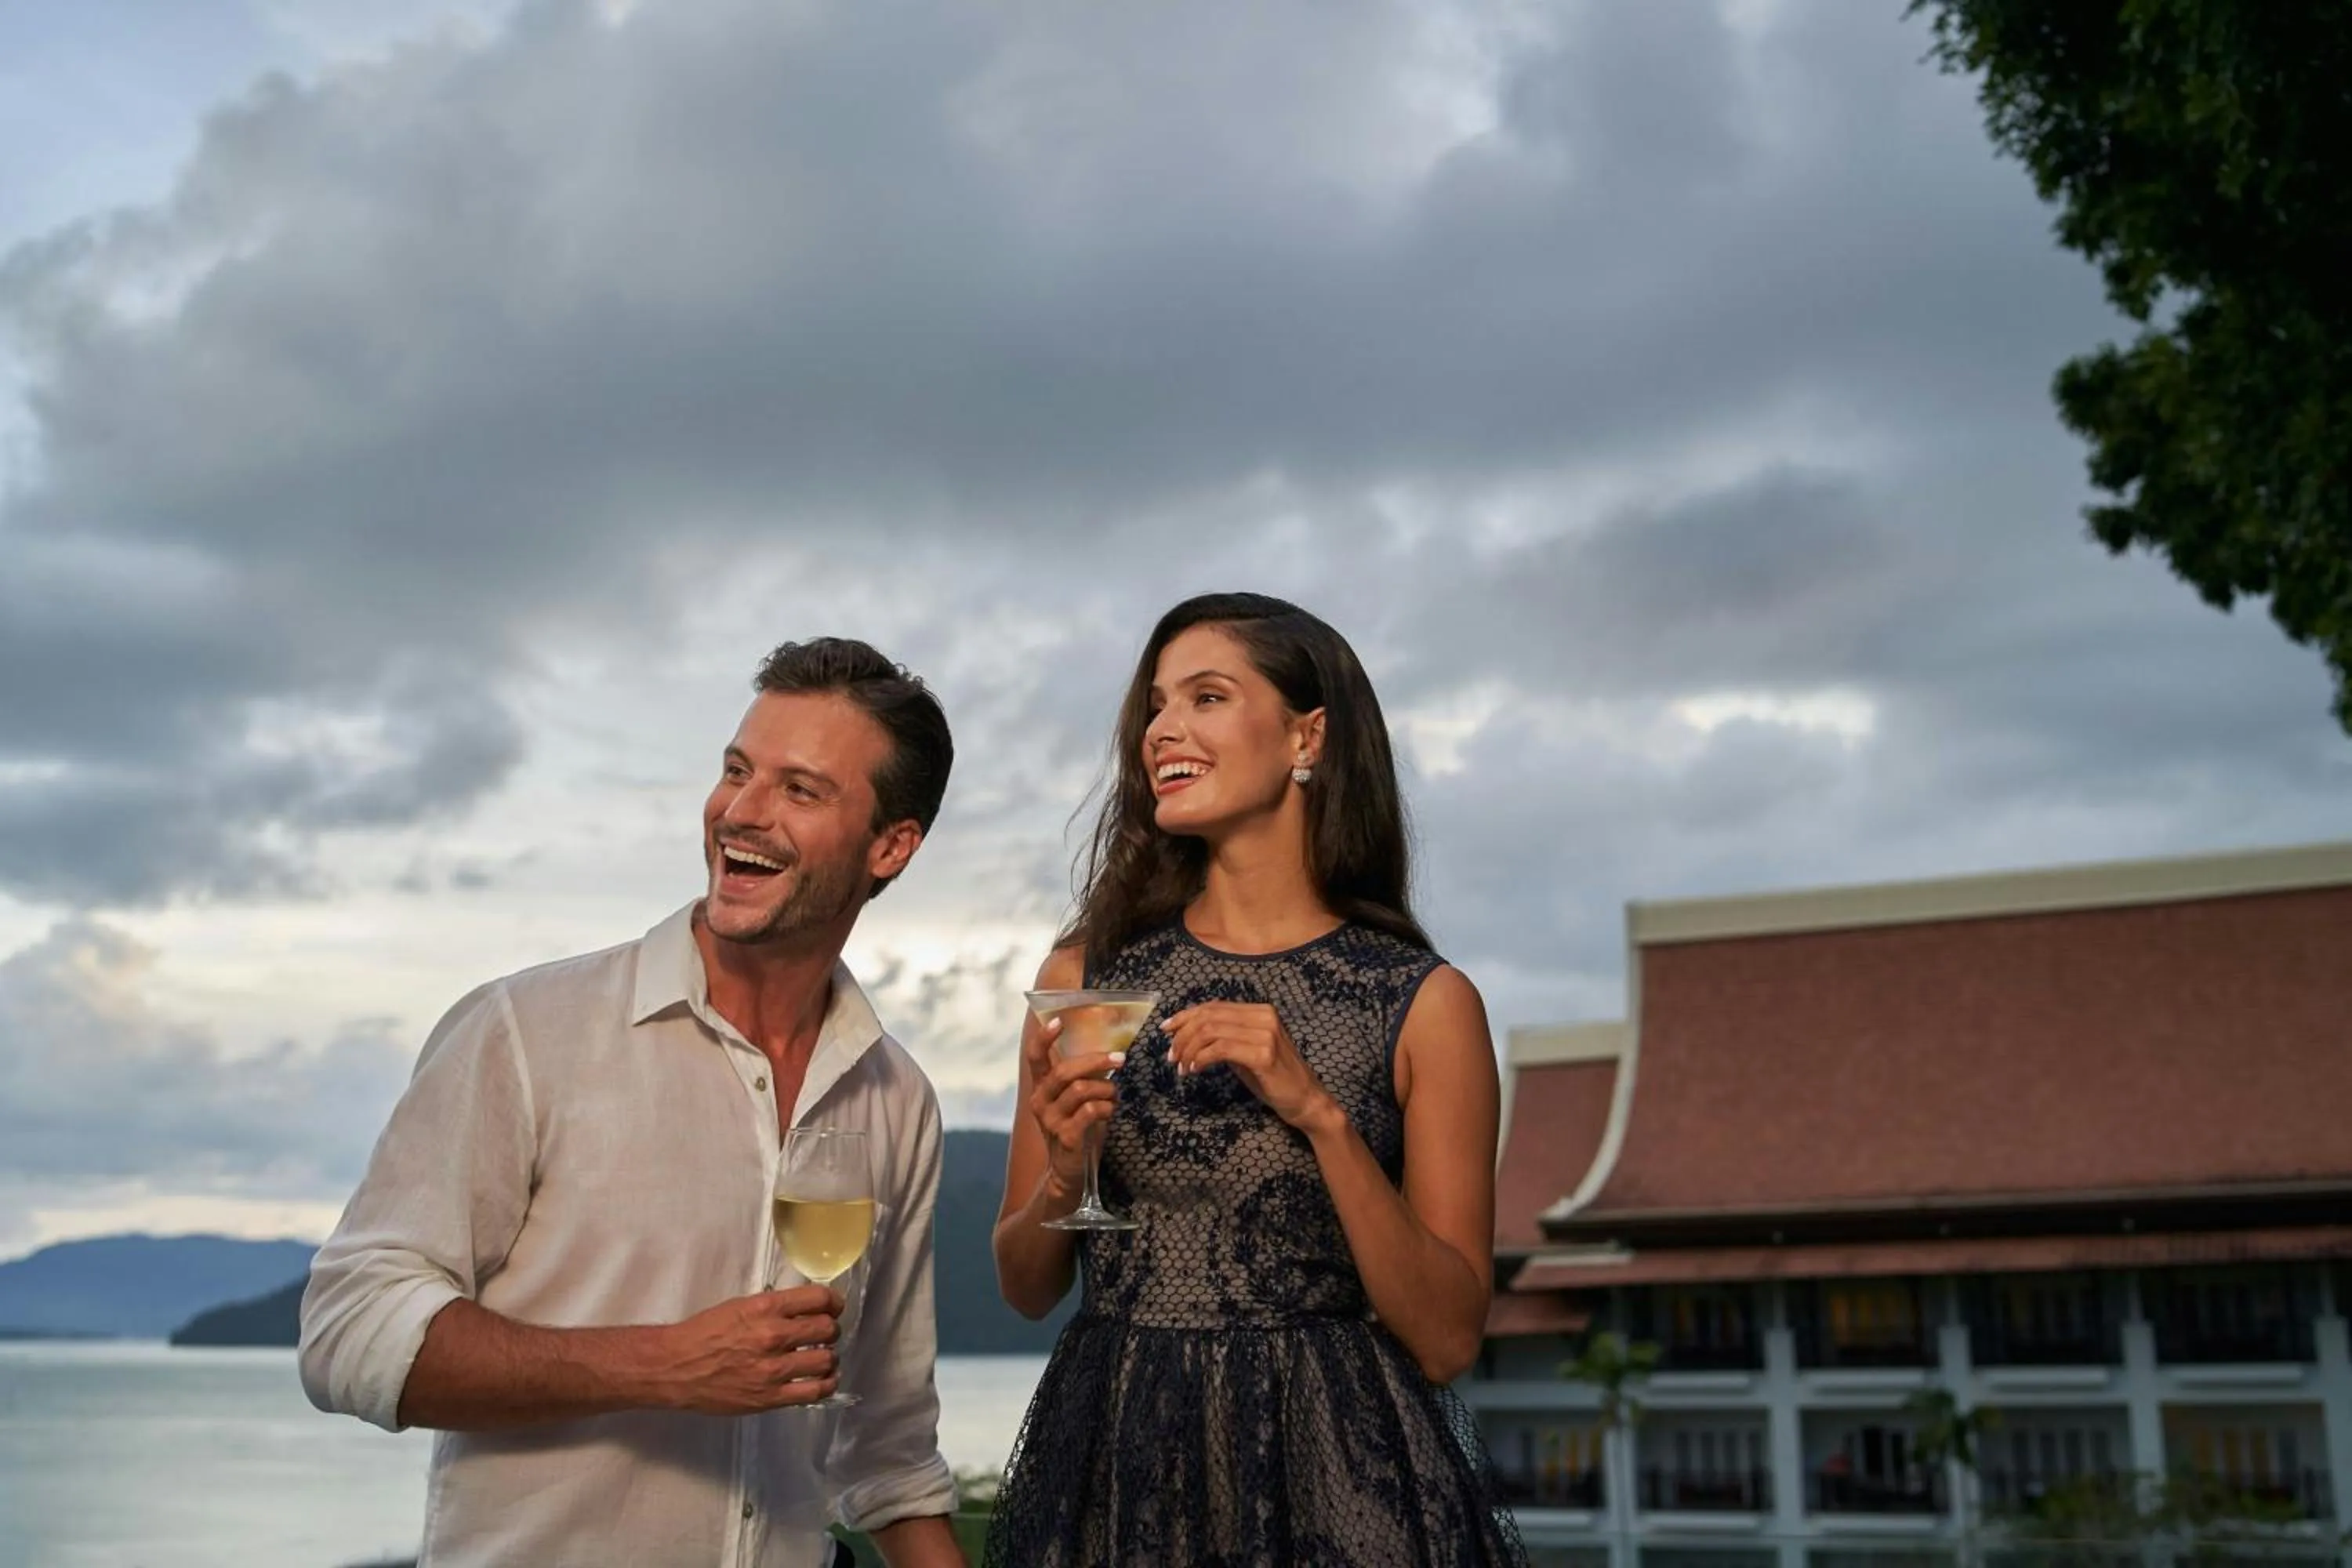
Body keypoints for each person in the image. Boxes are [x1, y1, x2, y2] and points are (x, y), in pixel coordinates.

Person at [299, 637, 967, 1568]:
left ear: (890, 846)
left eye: (800, 789)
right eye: (738, 770)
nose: (741, 810)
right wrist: (663, 1363)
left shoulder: (898, 1099)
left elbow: (889, 1446)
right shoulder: (524, 1031)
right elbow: (348, 1332)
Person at [985, 592, 1528, 1566]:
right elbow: (1026, 1284)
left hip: (1341, 1481)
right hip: (1116, 1468)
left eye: (1206, 696)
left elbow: (1447, 1339)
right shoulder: (1084, 974)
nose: (1163, 729)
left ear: (1305, 735)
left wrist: (1318, 1112)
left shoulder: (1427, 1002)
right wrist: (1067, 1171)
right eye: (1156, 704)